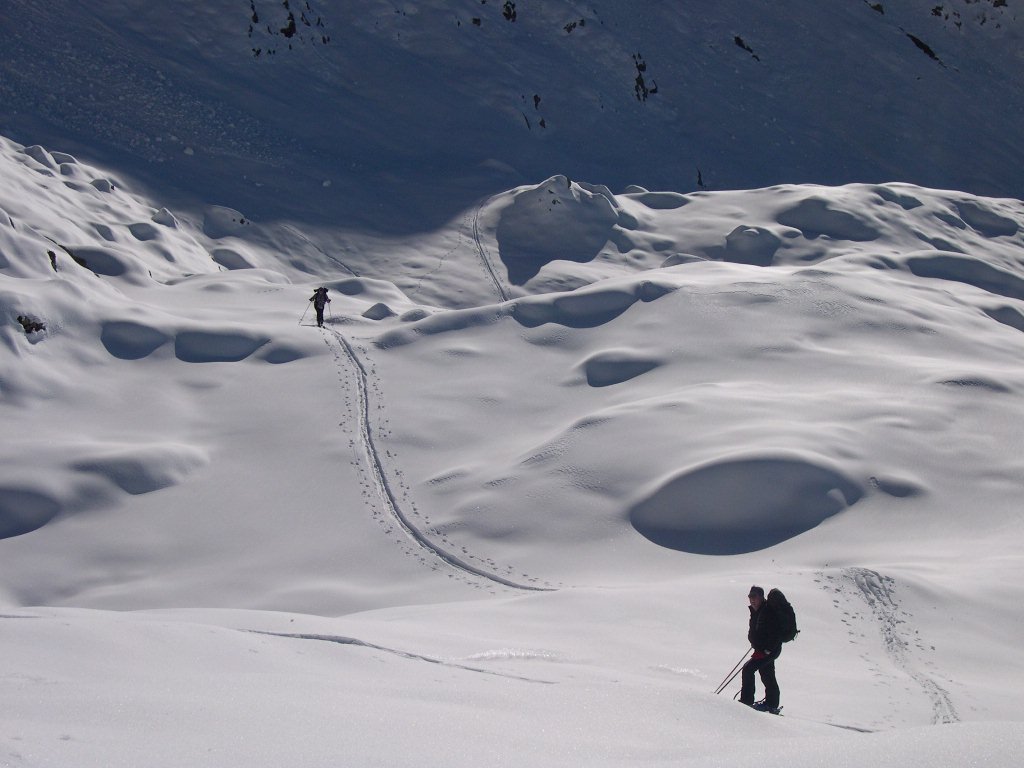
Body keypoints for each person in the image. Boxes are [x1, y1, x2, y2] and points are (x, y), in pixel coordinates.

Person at [740, 585, 783, 713]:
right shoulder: (755, 611)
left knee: (748, 669)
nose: (752, 600)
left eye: (755, 597)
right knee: (767, 674)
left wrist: (767, 650)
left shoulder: (767, 611)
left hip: (769, 650)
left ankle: (746, 702)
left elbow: (775, 633)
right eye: (750, 597)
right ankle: (771, 704)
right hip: (762, 650)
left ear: (761, 597)